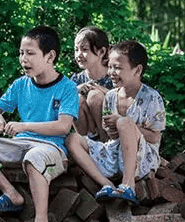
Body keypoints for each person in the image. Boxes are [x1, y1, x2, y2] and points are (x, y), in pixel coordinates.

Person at [0, 25, 79, 222]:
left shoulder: (67, 88)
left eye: (30, 53)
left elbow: (63, 127)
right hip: (20, 144)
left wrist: (24, 125)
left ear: (50, 56)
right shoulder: (20, 84)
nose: (23, 59)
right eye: (21, 53)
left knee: (34, 157)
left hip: (51, 148)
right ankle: (11, 193)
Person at [65, 40, 166, 205]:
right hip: (114, 153)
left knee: (125, 122)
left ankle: (128, 185)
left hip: (141, 159)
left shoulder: (151, 97)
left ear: (137, 70)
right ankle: (107, 184)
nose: (111, 72)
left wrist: (124, 124)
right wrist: (112, 129)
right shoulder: (111, 96)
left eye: (118, 68)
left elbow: (155, 138)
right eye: (110, 67)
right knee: (72, 139)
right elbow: (111, 137)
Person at [70, 26, 114, 141]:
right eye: (76, 49)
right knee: (75, 97)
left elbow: (126, 102)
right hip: (88, 133)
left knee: (95, 96)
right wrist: (78, 89)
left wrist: (106, 93)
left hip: (112, 131)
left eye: (84, 49)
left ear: (102, 51)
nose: (79, 54)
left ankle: (105, 143)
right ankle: (85, 143)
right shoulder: (77, 79)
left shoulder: (113, 76)